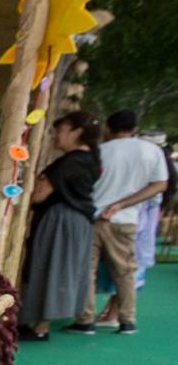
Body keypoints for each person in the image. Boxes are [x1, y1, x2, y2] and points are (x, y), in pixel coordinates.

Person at [65, 110, 169, 335]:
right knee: (125, 271)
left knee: (87, 270)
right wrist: (123, 204)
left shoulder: (99, 151)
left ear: (108, 129)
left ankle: (85, 319)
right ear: (134, 128)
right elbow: (160, 184)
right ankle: (127, 319)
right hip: (125, 219)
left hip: (92, 217)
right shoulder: (152, 151)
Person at [16, 112, 102, 340]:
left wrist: (35, 185)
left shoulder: (70, 162)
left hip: (61, 221)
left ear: (76, 132)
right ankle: (36, 322)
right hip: (77, 221)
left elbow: (39, 196)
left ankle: (40, 326)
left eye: (60, 130)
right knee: (59, 269)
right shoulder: (91, 159)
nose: (56, 136)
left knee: (49, 267)